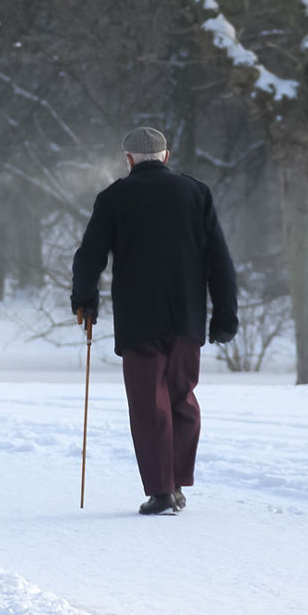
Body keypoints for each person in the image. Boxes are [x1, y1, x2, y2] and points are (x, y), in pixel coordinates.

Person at [71, 127, 238, 515]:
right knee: (182, 398)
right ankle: (176, 484)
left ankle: (162, 491)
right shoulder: (196, 193)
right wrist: (225, 315)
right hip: (187, 318)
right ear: (166, 156)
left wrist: (85, 301)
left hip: (139, 320)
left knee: (149, 404)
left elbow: (89, 257)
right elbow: (220, 260)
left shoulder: (114, 197)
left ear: (128, 159)